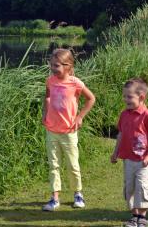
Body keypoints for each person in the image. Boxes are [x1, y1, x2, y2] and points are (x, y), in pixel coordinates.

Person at [41, 48, 96, 211]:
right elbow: (48, 96)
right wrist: (45, 112)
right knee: (54, 165)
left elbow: (91, 99)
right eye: (51, 65)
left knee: (72, 165)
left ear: (68, 66)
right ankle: (54, 198)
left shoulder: (75, 83)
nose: (53, 68)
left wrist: (80, 117)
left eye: (56, 65)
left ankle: (78, 194)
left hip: (69, 132)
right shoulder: (50, 80)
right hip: (51, 130)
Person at [111, 78, 148, 227]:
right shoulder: (124, 114)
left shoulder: (147, 115)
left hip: (142, 160)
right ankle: (134, 216)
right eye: (125, 96)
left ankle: (142, 217)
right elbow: (120, 134)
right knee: (130, 186)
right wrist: (115, 153)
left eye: (130, 96)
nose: (126, 99)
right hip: (128, 159)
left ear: (142, 97)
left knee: (142, 186)